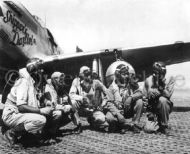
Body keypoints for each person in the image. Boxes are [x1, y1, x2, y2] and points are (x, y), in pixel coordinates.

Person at [1, 58, 53, 147]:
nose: (41, 71)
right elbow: (21, 106)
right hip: (12, 115)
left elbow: (33, 100)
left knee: (44, 116)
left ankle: (25, 135)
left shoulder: (30, 81)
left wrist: (46, 103)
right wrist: (41, 111)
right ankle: (11, 134)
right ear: (32, 68)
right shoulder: (23, 82)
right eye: (39, 68)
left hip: (18, 113)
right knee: (41, 120)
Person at [69, 66, 109, 131]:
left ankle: (92, 119)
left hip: (93, 108)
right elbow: (71, 95)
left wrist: (103, 104)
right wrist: (81, 98)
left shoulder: (96, 82)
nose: (87, 76)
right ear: (80, 74)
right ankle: (78, 124)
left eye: (88, 74)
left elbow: (108, 93)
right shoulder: (76, 81)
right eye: (85, 74)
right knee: (73, 102)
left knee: (102, 120)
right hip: (81, 107)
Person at [107, 64, 144, 133]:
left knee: (139, 101)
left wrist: (131, 97)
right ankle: (121, 124)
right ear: (118, 75)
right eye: (124, 74)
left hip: (128, 109)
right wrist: (118, 114)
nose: (126, 76)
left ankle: (134, 124)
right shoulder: (111, 87)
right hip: (118, 110)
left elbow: (140, 93)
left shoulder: (131, 83)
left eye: (127, 74)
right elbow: (109, 103)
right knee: (109, 118)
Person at [44, 71, 82, 136]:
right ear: (54, 79)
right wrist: (66, 107)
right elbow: (54, 105)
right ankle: (50, 132)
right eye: (60, 79)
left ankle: (78, 124)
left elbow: (68, 98)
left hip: (55, 109)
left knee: (71, 106)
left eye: (62, 79)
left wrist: (69, 104)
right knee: (60, 112)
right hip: (48, 112)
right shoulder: (48, 89)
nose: (62, 81)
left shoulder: (58, 87)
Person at [143, 61, 175, 134]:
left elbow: (168, 95)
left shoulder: (170, 79)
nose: (155, 74)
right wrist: (149, 113)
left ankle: (164, 126)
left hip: (164, 106)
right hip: (152, 108)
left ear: (164, 72)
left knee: (162, 100)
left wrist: (161, 89)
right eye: (154, 72)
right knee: (148, 129)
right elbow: (144, 98)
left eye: (158, 72)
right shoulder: (148, 80)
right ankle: (158, 123)